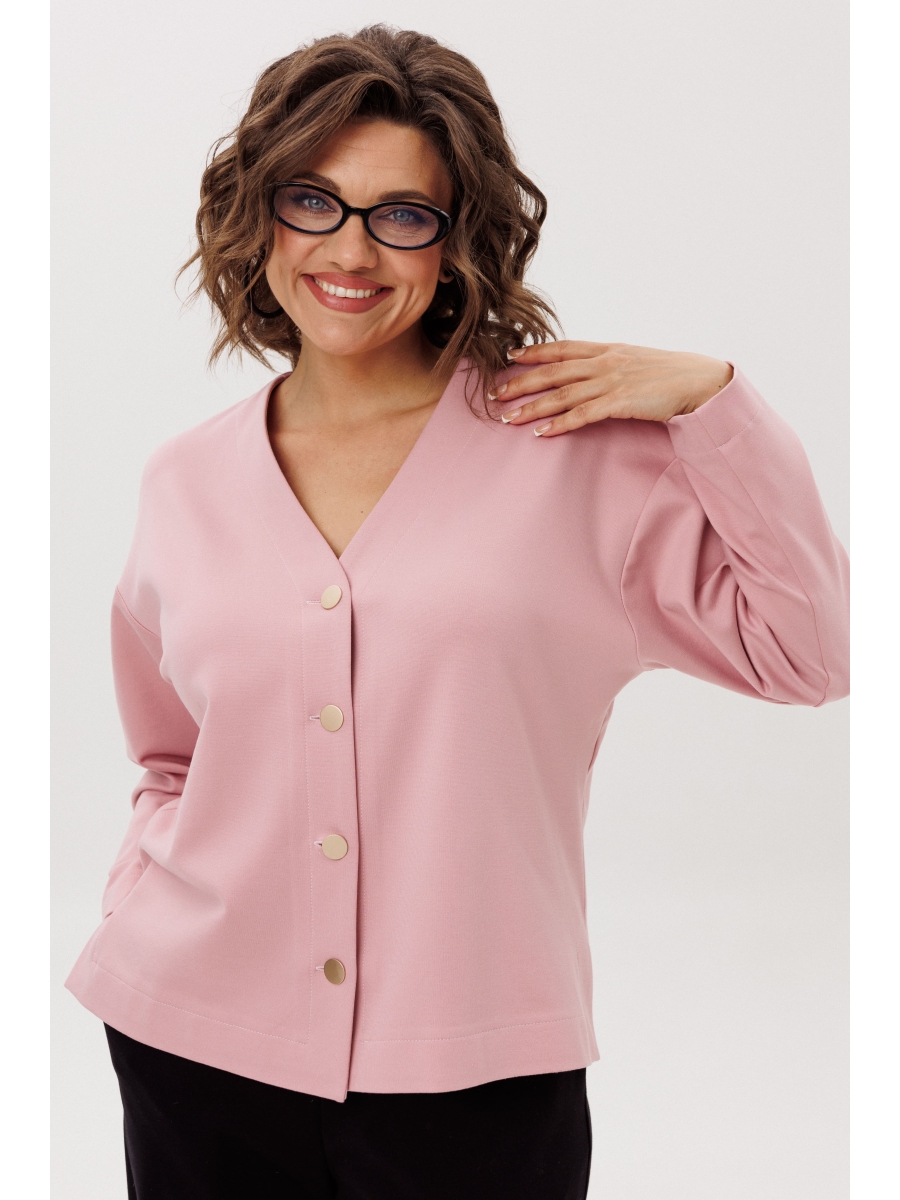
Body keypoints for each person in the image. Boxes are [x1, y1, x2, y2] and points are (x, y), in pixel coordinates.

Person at [65, 23, 850, 1200]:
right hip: (191, 1048)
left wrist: (717, 402)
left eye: (403, 214)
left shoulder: (573, 455)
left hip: (478, 1081)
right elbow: (169, 757)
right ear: (258, 216)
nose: (351, 249)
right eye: (312, 201)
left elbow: (812, 651)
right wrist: (138, 897)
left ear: (459, 237)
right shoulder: (183, 480)